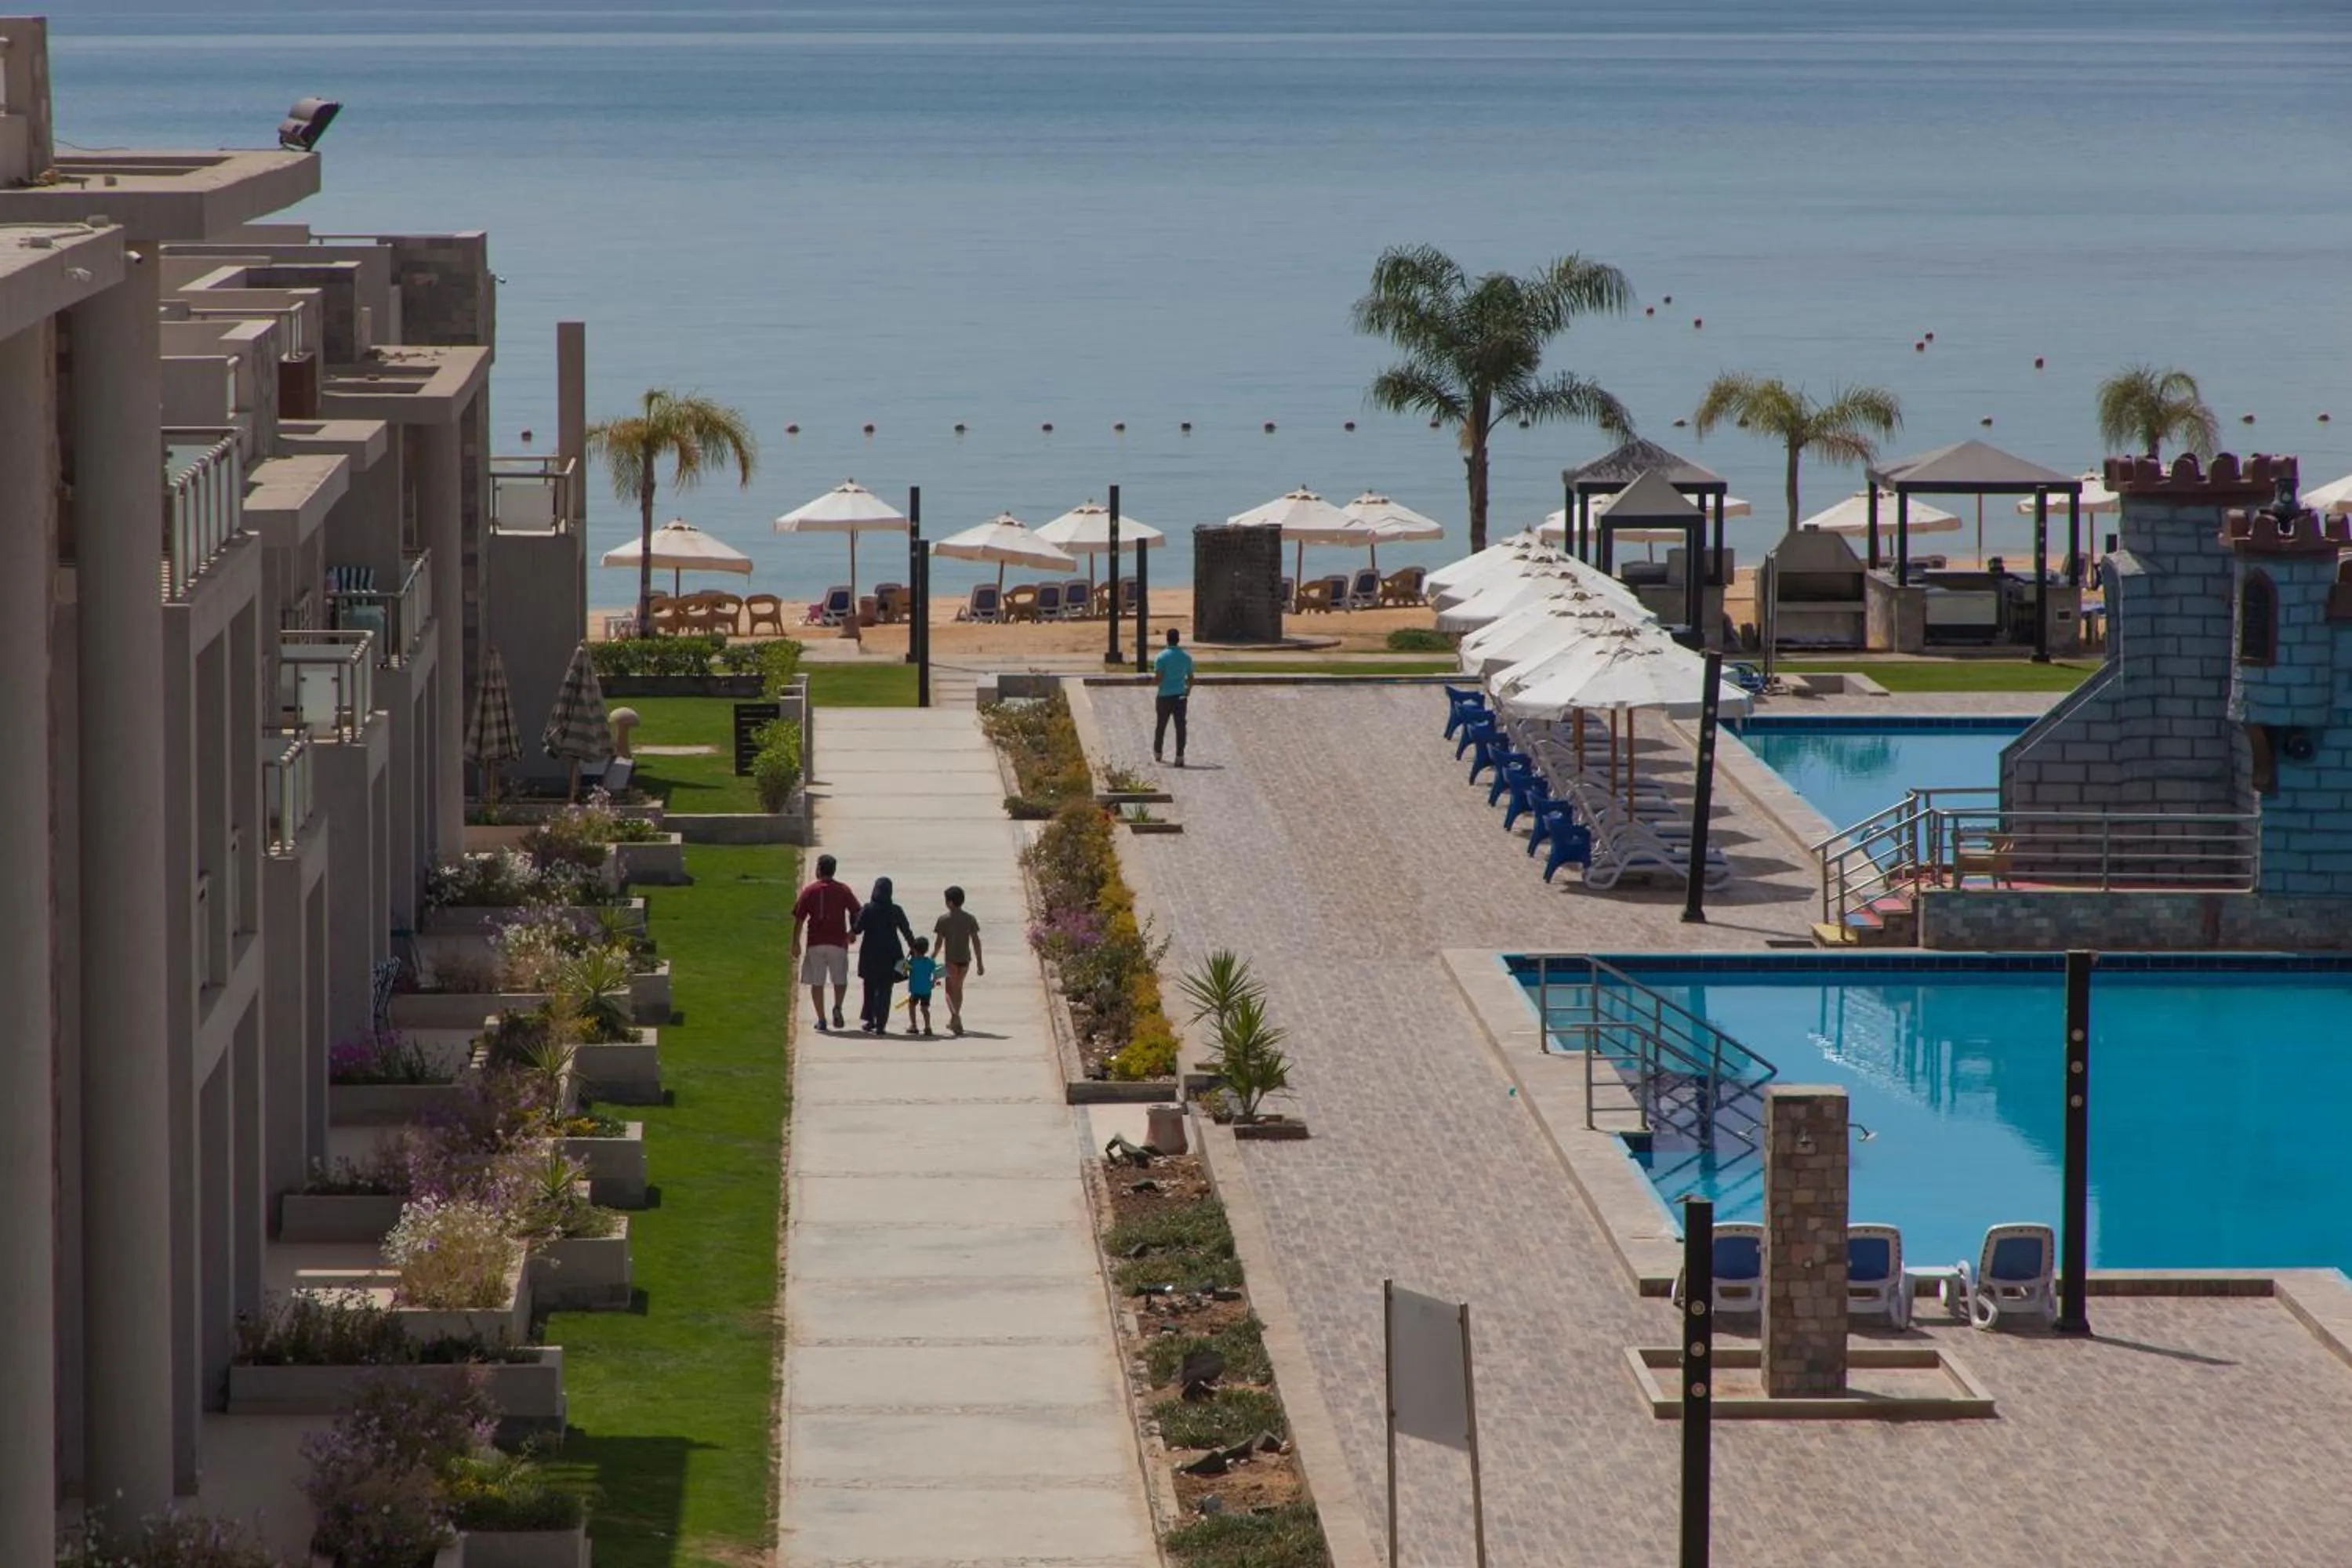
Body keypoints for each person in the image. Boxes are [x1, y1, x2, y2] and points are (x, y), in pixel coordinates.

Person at [789, 853, 862, 1032]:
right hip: (838, 942)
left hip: (816, 943)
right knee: (840, 979)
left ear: (819, 870)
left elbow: (799, 919)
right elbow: (857, 911)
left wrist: (795, 942)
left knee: (817, 982)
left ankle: (821, 1019)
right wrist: (853, 931)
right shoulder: (843, 890)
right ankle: (837, 1006)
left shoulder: (810, 891)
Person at [851, 876, 916, 1033]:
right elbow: (906, 930)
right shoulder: (896, 910)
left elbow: (857, 929)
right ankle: (881, 1024)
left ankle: (870, 1020)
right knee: (886, 990)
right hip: (892, 954)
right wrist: (913, 947)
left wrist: (852, 919)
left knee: (869, 987)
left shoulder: (868, 909)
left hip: (870, 953)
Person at [933, 884, 985, 1036]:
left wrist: (933, 956)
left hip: (951, 960)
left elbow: (939, 942)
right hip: (965, 960)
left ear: (949, 902)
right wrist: (980, 962)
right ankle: (954, 1019)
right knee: (959, 988)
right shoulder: (970, 919)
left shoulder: (943, 920)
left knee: (949, 991)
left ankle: (956, 1018)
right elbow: (976, 941)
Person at [1152, 625, 1195, 766]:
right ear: (1178, 640)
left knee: (1161, 725)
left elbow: (1159, 677)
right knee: (1180, 726)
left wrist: (1155, 682)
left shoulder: (1161, 657)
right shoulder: (1186, 657)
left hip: (1164, 695)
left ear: (1167, 640)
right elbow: (1191, 677)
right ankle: (1180, 755)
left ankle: (1158, 752)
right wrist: (1188, 689)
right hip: (1180, 696)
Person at [898, 937, 939, 1036]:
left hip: (915, 990)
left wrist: (908, 955)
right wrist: (933, 981)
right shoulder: (930, 961)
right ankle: (928, 1026)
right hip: (927, 990)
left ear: (914, 950)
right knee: (925, 1009)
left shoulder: (912, 962)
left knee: (912, 1006)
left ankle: (914, 1025)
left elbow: (900, 969)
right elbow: (939, 971)